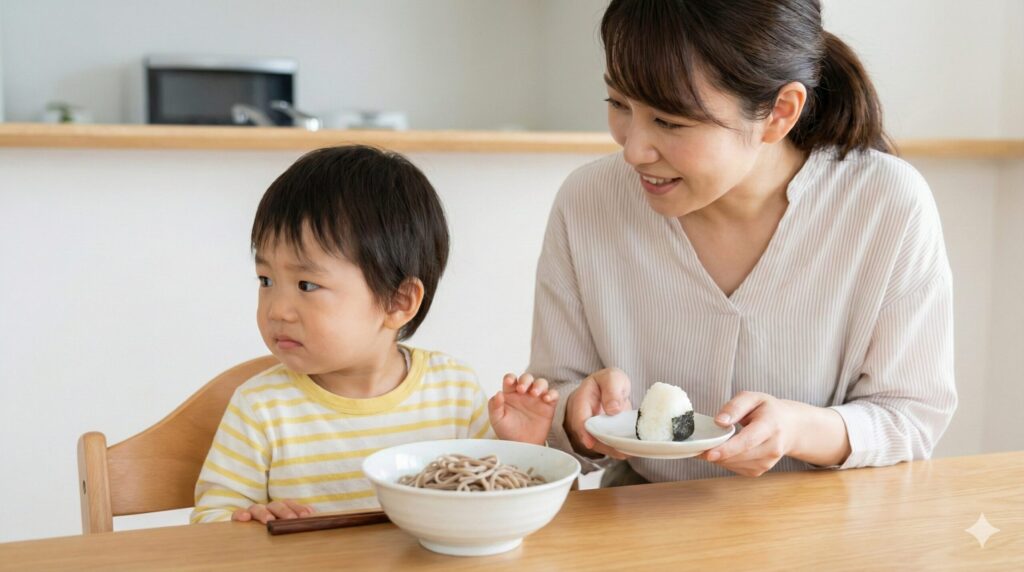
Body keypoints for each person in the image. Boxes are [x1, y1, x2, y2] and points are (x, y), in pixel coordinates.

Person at [528, 0, 957, 486]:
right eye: (619, 105)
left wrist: (798, 431)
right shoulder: (588, 201)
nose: (632, 150)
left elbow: (913, 419)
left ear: (780, 112)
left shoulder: (886, 204)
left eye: (670, 122)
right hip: (642, 525)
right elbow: (554, 395)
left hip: (818, 533)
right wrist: (574, 413)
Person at [192, 146, 557, 524]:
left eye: (306, 284)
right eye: (266, 280)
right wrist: (249, 521)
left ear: (398, 301)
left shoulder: (453, 391)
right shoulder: (261, 407)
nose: (277, 310)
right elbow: (211, 521)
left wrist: (524, 449)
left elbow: (499, 502)